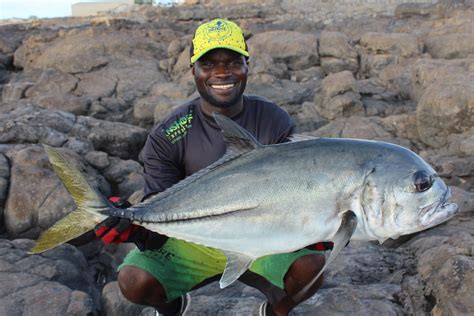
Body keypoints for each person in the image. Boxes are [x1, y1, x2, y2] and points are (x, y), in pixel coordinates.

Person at [95, 18, 332, 316]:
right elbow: (158, 224)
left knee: (310, 267)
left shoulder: (274, 121)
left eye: (233, 62)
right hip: (193, 240)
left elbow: (292, 193)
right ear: (193, 70)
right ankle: (172, 308)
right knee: (134, 280)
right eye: (208, 64)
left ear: (247, 66)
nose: (221, 72)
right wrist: (131, 228)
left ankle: (275, 312)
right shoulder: (168, 134)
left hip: (261, 235)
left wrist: (314, 227)